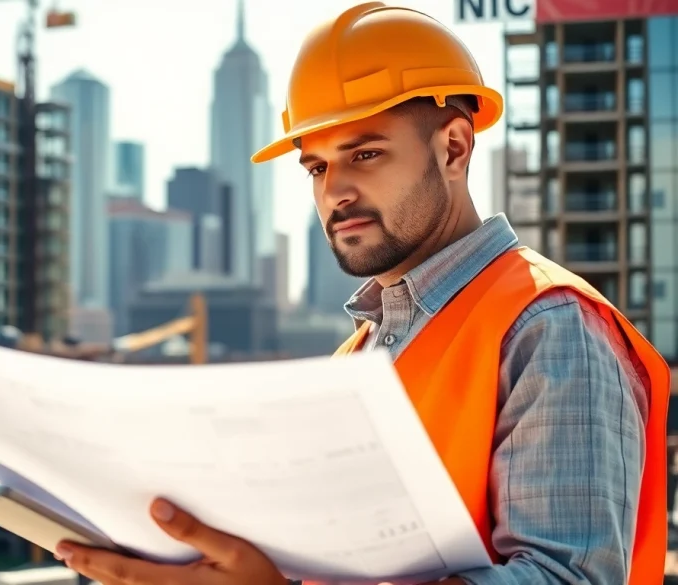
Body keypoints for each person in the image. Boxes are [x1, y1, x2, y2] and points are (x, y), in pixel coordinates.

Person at [52, 2, 671, 584]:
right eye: (317, 166)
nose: (334, 192)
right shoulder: (358, 356)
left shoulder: (548, 325)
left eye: (365, 153)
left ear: (453, 147)